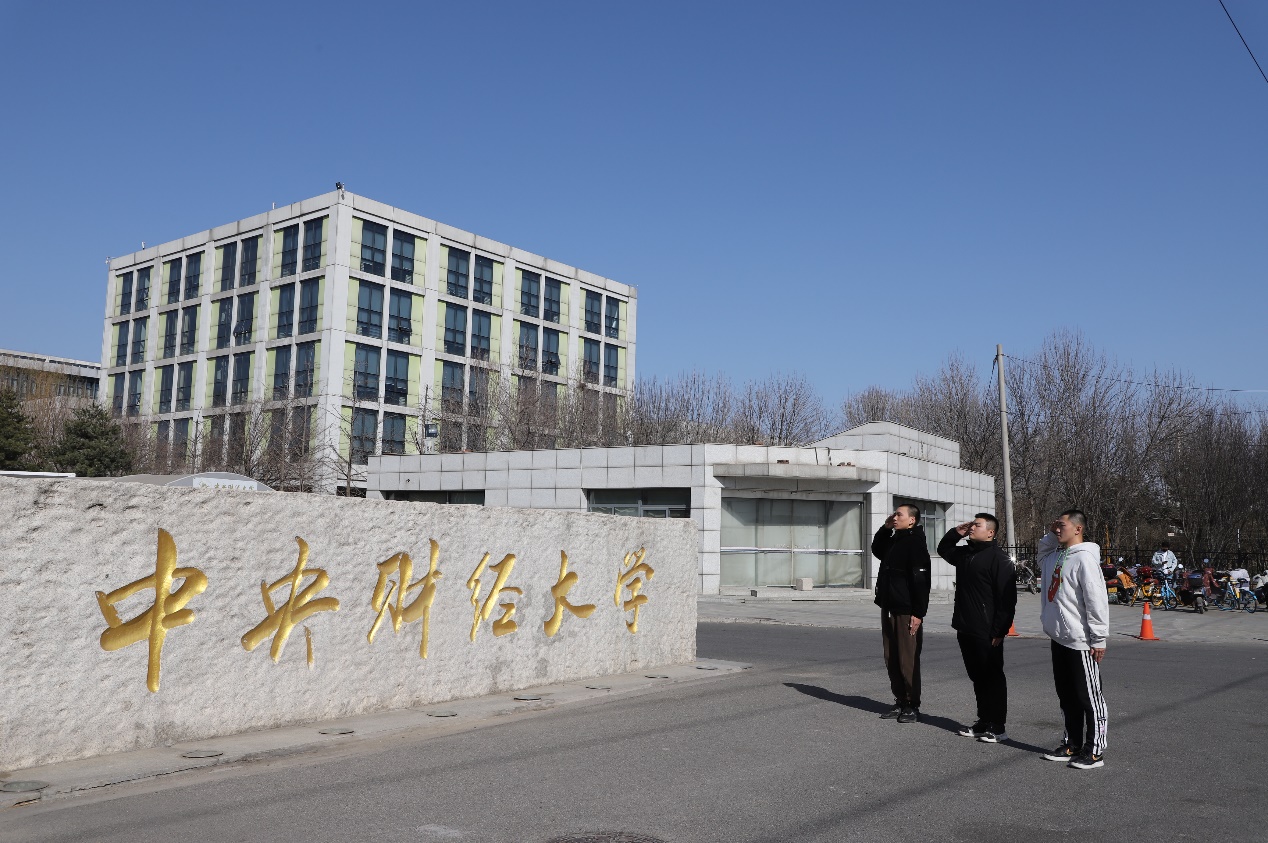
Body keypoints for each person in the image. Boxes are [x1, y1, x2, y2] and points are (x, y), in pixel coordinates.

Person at [1038, 509, 1110, 770]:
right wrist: (1052, 532)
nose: (1057, 529)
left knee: (1088, 697)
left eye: (1062, 525)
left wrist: (1098, 637)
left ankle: (1095, 751)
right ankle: (1072, 743)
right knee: (1066, 695)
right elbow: (1042, 551)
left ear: (1078, 528)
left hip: (1080, 641)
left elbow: (1096, 599)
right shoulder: (1055, 556)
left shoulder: (1085, 558)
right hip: (1058, 637)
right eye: (1055, 525)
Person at [937, 513, 1017, 743]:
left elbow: (1007, 599)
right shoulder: (966, 554)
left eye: (977, 525)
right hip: (965, 625)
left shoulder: (999, 558)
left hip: (987, 629)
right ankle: (983, 721)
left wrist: (999, 630)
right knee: (977, 677)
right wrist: (956, 533)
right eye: (972, 524)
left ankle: (998, 726)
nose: (972, 528)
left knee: (992, 676)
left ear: (990, 532)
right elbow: (944, 549)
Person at [872, 504, 931, 724]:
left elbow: (921, 581)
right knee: (891, 657)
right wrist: (885, 528)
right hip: (889, 606)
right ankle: (900, 700)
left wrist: (918, 613)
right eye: (894, 514)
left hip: (906, 610)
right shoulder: (895, 540)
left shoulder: (915, 543)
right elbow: (877, 549)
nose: (895, 517)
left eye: (899, 515)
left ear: (912, 520)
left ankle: (912, 704)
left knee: (908, 659)